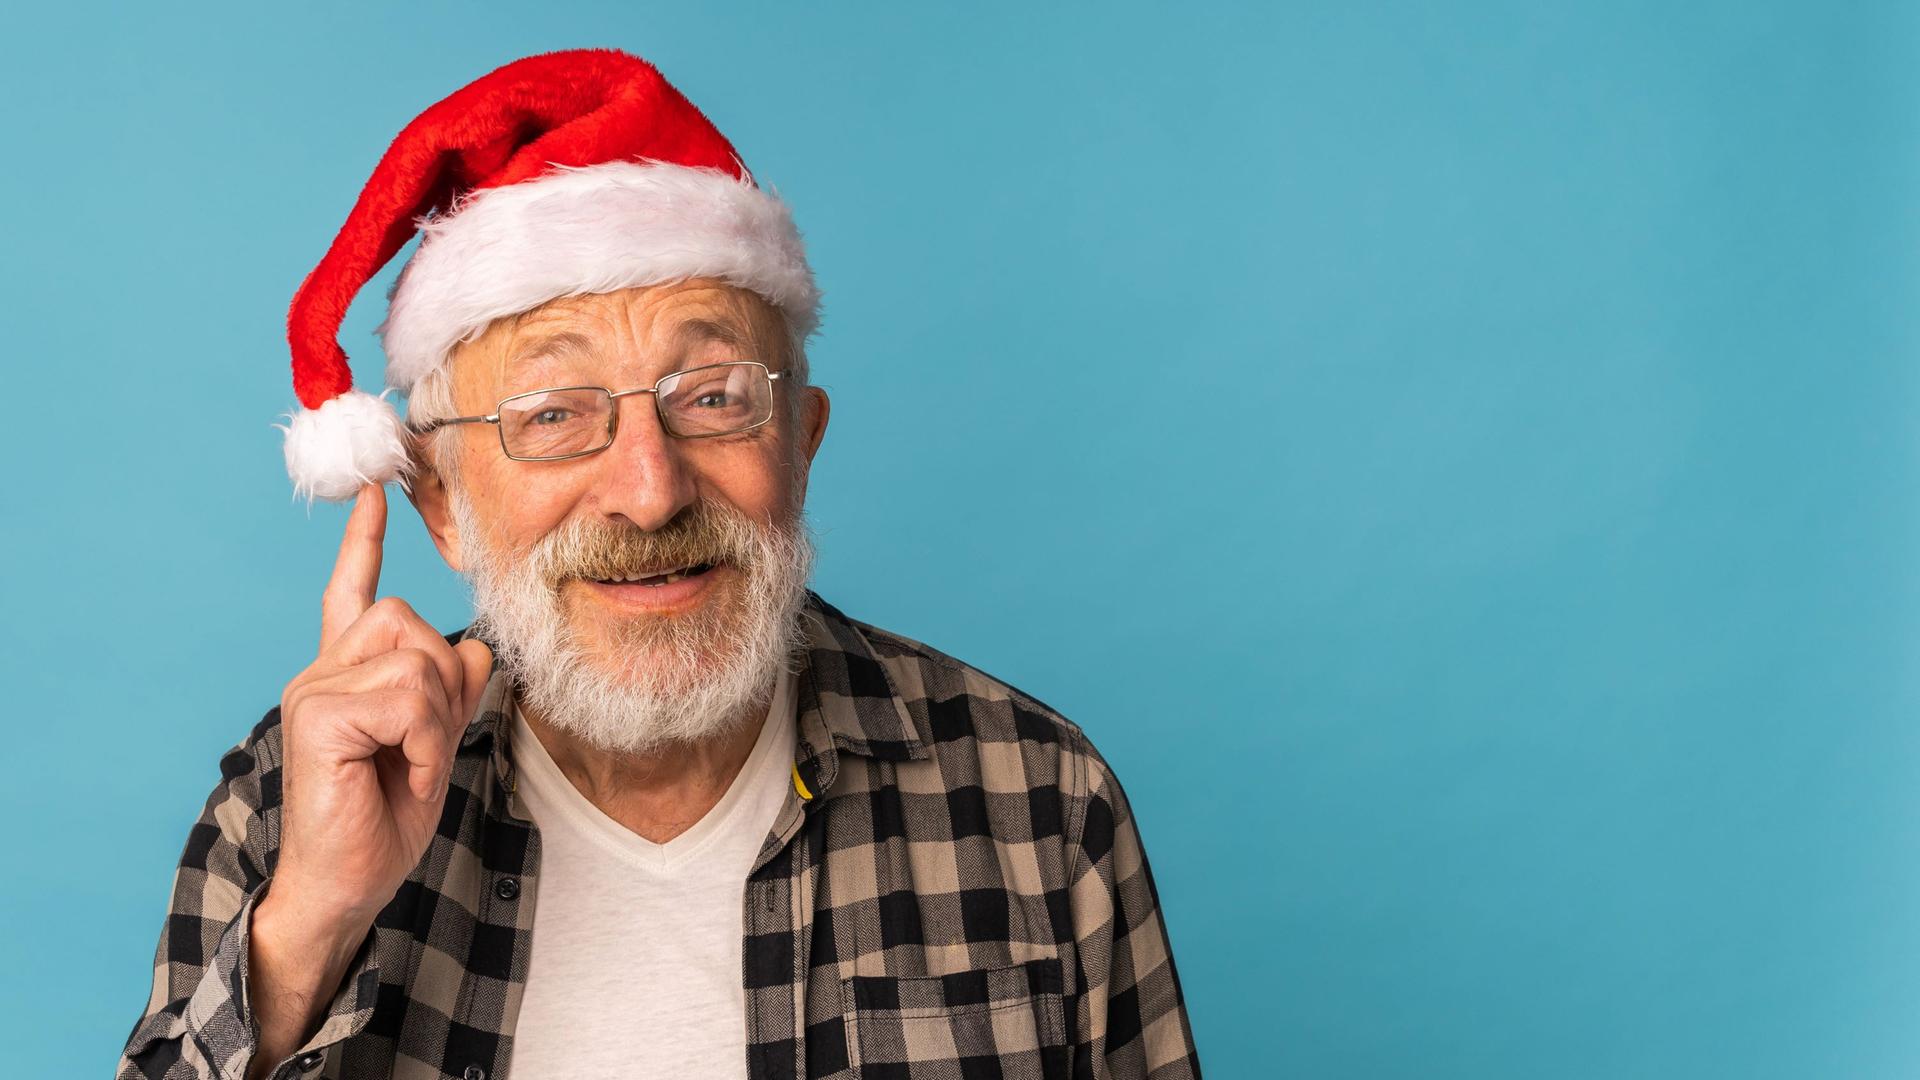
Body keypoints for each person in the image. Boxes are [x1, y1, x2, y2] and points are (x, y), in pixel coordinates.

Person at [118, 47, 1200, 1080]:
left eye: (714, 398)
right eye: (552, 414)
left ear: (801, 443)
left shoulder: (1040, 800)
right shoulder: (290, 804)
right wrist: (310, 921)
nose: (650, 489)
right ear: (440, 505)